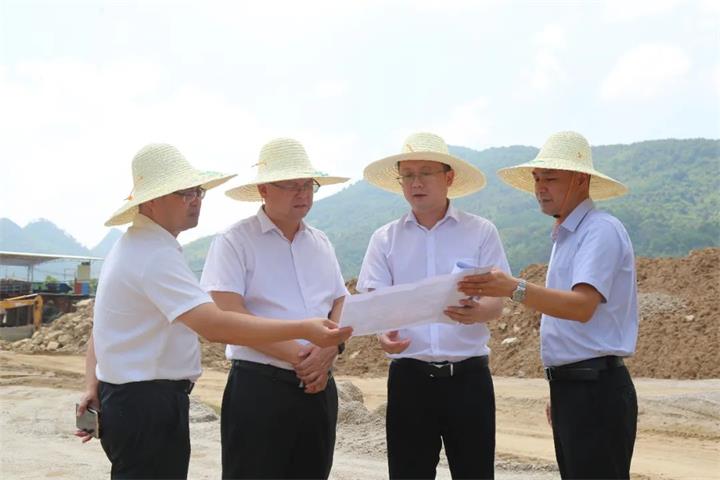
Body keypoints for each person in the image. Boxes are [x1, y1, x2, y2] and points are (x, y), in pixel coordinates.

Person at [75, 143, 351, 479]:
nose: (195, 200)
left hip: (142, 400)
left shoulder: (138, 247)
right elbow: (215, 324)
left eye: (198, 191)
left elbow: (102, 325)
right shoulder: (159, 254)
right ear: (150, 200)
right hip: (157, 401)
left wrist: (327, 350)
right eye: (184, 193)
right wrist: (304, 334)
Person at [458, 130, 638, 479]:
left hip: (595, 388)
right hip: (576, 387)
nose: (540, 188)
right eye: (537, 178)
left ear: (581, 179)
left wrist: (514, 288)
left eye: (551, 178)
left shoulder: (599, 230)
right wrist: (562, 388)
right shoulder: (567, 235)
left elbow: (581, 307)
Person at [357, 132, 510, 479]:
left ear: (449, 177)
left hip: (468, 379)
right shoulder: (384, 239)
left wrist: (476, 312)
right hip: (409, 381)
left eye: (426, 173)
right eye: (408, 175)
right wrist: (383, 334)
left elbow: (497, 301)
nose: (416, 183)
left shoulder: (481, 232)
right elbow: (376, 304)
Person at [201, 138, 350, 479]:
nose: (302, 193)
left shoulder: (321, 242)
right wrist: (304, 358)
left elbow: (341, 300)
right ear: (263, 189)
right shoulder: (234, 241)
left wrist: (330, 350)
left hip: (319, 389)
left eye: (307, 185)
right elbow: (228, 313)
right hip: (260, 389)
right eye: (291, 185)